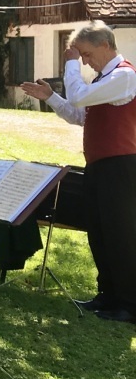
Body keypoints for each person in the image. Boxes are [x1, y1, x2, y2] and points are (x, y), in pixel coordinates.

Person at [21, 21, 136, 323]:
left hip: (121, 166)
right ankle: (108, 294)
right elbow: (79, 115)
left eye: (86, 54)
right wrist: (50, 96)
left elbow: (78, 97)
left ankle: (129, 303)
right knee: (98, 231)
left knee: (120, 233)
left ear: (105, 45)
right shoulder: (104, 79)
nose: (84, 61)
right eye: (80, 56)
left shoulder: (124, 75)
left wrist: (70, 63)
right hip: (99, 165)